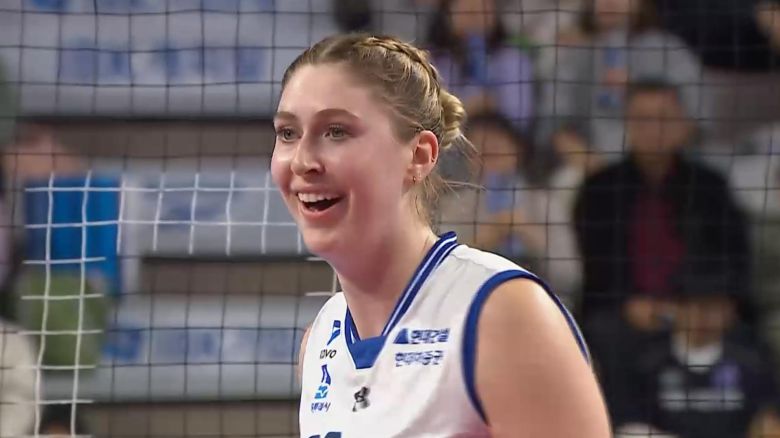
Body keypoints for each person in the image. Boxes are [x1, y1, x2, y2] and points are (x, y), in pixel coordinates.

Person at [271, 33, 610, 437]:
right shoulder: (321, 339)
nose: (303, 161)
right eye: (288, 133)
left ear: (419, 156)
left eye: (337, 131)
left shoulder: (504, 313)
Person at [612, 267, 780, 438]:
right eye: (695, 306)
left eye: (713, 308)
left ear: (730, 312)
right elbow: (628, 427)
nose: (702, 316)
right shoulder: (646, 364)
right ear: (676, 309)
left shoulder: (752, 365)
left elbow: (769, 420)